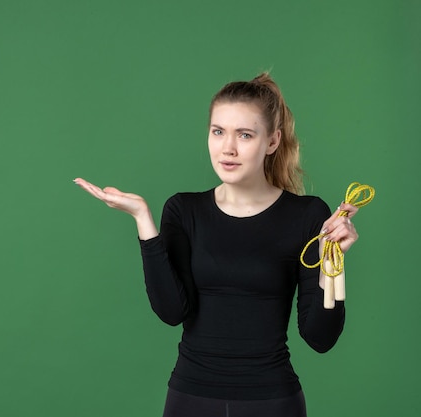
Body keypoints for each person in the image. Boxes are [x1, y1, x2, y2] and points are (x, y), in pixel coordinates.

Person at [73, 72, 358, 417]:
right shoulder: (183, 210)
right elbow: (171, 312)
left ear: (272, 141)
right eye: (218, 131)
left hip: (272, 401)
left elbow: (320, 338)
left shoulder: (307, 215)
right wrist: (143, 221)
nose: (228, 148)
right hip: (190, 397)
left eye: (245, 135)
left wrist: (332, 263)